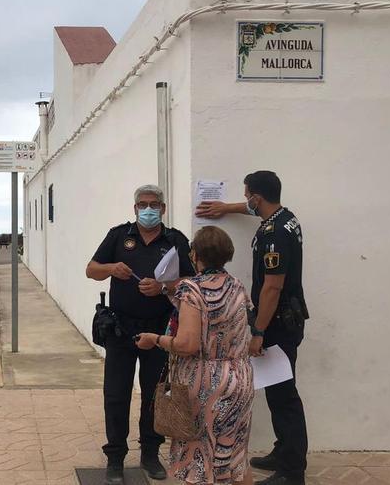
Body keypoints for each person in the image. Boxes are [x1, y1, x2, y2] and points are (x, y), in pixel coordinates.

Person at [195, 171, 308, 485]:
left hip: (278, 323)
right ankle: (284, 451)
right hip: (285, 318)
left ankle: (291, 471)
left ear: (257, 196)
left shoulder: (275, 235)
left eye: (247, 196)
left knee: (284, 395)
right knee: (277, 391)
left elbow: (272, 287)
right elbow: (252, 209)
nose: (246, 201)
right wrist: (226, 208)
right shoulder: (286, 218)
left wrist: (258, 332)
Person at [86, 184, 196, 485]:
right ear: (135, 208)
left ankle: (150, 454)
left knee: (154, 395)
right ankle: (115, 458)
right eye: (143, 204)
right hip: (120, 330)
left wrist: (163, 287)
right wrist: (111, 268)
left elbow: (190, 280)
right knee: (116, 394)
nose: (149, 209)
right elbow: (91, 269)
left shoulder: (174, 240)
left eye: (155, 204)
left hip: (159, 330)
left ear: (163, 208)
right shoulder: (119, 236)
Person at [135, 225, 255, 485]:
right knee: (235, 457)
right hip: (240, 377)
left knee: (199, 460)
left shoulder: (191, 289)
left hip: (206, 384)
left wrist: (154, 339)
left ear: (194, 255)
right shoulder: (237, 285)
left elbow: (187, 344)